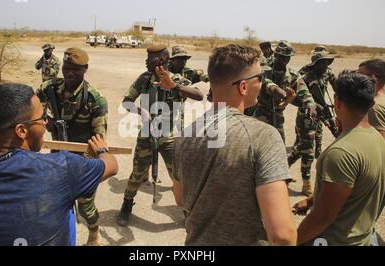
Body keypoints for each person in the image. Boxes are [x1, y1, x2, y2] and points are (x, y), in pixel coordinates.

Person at [0, 83, 118, 246]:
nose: (45, 123)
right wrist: (102, 150)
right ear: (21, 131)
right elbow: (111, 165)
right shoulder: (59, 169)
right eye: (42, 118)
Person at [173, 44, 296, 246]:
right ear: (243, 87)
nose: (263, 84)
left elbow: (180, 198)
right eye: (260, 78)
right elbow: (282, 235)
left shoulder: (186, 134)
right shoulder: (263, 136)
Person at [293, 71, 385, 246]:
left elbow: (323, 217)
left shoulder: (341, 152)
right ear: (372, 103)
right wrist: (310, 201)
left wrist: (290, 242)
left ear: (337, 102)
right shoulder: (378, 139)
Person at [116, 45, 204, 227]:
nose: (146, 61)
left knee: (178, 177)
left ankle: (188, 210)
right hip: (147, 136)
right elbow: (126, 102)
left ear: (162, 61)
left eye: (150, 59)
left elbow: (199, 95)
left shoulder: (177, 78)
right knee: (137, 173)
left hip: (171, 138)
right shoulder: (145, 79)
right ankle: (126, 205)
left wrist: (175, 86)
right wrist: (141, 112)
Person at [36, 47, 108, 245]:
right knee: (52, 197)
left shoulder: (95, 98)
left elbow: (99, 136)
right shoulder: (48, 88)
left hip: (83, 155)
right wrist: (47, 122)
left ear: (85, 69)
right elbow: (34, 111)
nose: (69, 73)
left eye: (75, 70)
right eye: (66, 68)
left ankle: (94, 231)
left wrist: (90, 164)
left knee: (85, 205)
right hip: (57, 151)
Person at [288, 47, 338, 196]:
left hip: (321, 114)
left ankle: (282, 167)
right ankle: (306, 184)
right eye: (322, 63)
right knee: (308, 150)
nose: (325, 66)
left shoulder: (327, 73)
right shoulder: (304, 78)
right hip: (305, 117)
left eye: (327, 63)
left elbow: (338, 88)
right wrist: (309, 104)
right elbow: (291, 98)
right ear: (315, 64)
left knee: (302, 146)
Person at [254, 41, 316, 143]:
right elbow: (265, 81)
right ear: (276, 54)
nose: (285, 60)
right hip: (261, 111)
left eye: (288, 57)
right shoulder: (264, 67)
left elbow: (304, 91)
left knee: (279, 146)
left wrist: (311, 104)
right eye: (282, 57)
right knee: (257, 143)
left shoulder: (292, 75)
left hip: (278, 115)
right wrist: (279, 91)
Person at [358, 59, 385, 214]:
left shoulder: (376, 107)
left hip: (375, 182)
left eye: (359, 75)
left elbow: (375, 152)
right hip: (381, 179)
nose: (356, 78)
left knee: (361, 230)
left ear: (372, 78)